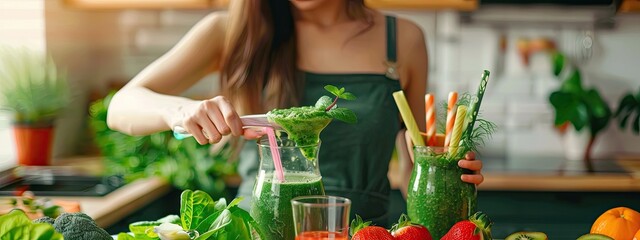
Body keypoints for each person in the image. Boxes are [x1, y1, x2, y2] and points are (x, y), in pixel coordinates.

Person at [107, 0, 484, 226]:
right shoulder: (234, 30)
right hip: (262, 226)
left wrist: (448, 173)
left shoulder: (403, 39)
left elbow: (417, 159)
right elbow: (121, 106)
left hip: (364, 230)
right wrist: (180, 109)